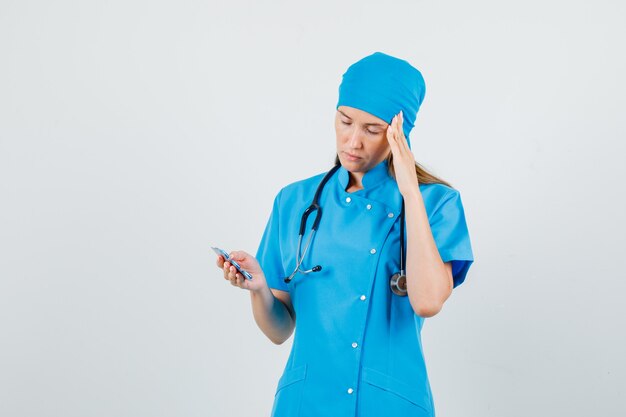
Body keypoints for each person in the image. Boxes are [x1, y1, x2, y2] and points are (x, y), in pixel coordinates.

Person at [214, 51, 474, 417]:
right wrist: (258, 290)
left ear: (401, 134)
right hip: (305, 404)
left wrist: (409, 190)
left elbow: (428, 301)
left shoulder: (435, 203)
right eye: (345, 121)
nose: (353, 142)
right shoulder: (295, 202)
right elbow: (278, 330)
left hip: (389, 405)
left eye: (372, 130)